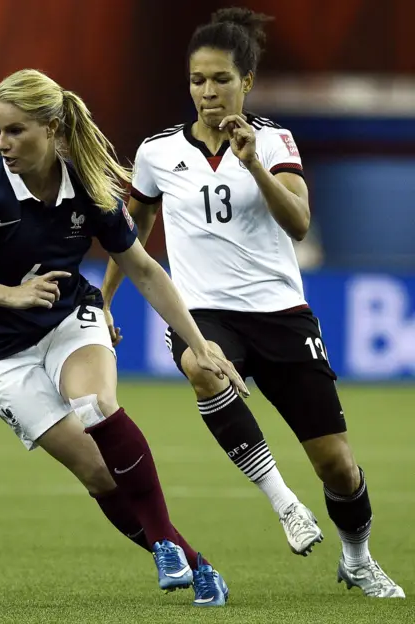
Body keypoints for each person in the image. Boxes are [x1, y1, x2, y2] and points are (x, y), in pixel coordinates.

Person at [0, 68, 248, 607]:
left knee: (95, 403)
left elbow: (144, 270)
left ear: (50, 127)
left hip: (70, 319)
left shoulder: (88, 187)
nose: (2, 143)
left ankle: (163, 544)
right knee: (96, 473)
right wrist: (10, 294)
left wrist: (199, 342)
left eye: (15, 131)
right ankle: (198, 563)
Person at [101, 8, 404, 599]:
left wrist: (253, 165)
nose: (207, 92)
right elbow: (128, 231)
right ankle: (284, 503)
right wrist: (104, 300)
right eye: (197, 80)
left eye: (220, 80)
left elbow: (298, 222)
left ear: (247, 82)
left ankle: (357, 556)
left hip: (282, 315)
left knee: (338, 467)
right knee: (200, 365)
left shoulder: (273, 141)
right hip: (204, 311)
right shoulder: (158, 153)